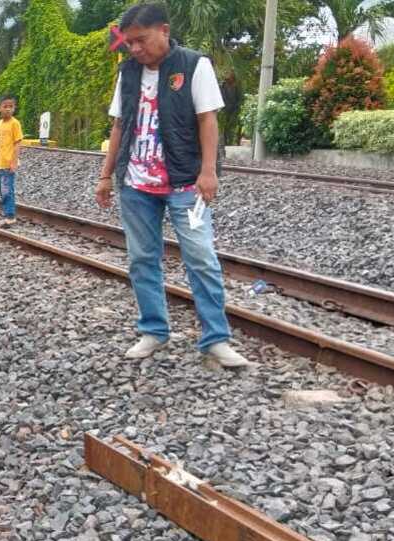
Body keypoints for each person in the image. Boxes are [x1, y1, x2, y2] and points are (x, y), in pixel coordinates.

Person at [95, 2, 249, 368]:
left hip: (186, 187)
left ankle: (216, 339)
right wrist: (105, 175)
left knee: (201, 257)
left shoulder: (194, 65)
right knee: (142, 259)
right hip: (135, 186)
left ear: (163, 30)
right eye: (129, 43)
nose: (134, 49)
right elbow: (119, 125)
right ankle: (154, 330)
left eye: (140, 40)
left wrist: (208, 172)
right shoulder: (128, 73)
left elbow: (208, 120)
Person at [0, 95, 23, 227]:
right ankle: (7, 213)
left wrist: (14, 162)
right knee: (3, 190)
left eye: (11, 106)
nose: (8, 109)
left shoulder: (15, 123)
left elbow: (18, 143)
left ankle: (10, 217)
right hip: (0, 163)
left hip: (9, 163)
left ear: (14, 108)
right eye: (5, 106)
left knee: (7, 190)